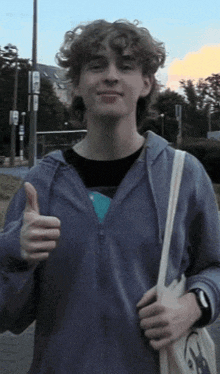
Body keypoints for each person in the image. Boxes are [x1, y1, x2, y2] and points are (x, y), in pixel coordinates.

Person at [0, 19, 220, 374]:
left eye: (127, 66)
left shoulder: (184, 174)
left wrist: (195, 305)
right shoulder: (40, 184)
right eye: (96, 66)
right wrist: (15, 253)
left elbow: (215, 266)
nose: (111, 76)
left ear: (146, 83)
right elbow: (8, 316)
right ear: (76, 84)